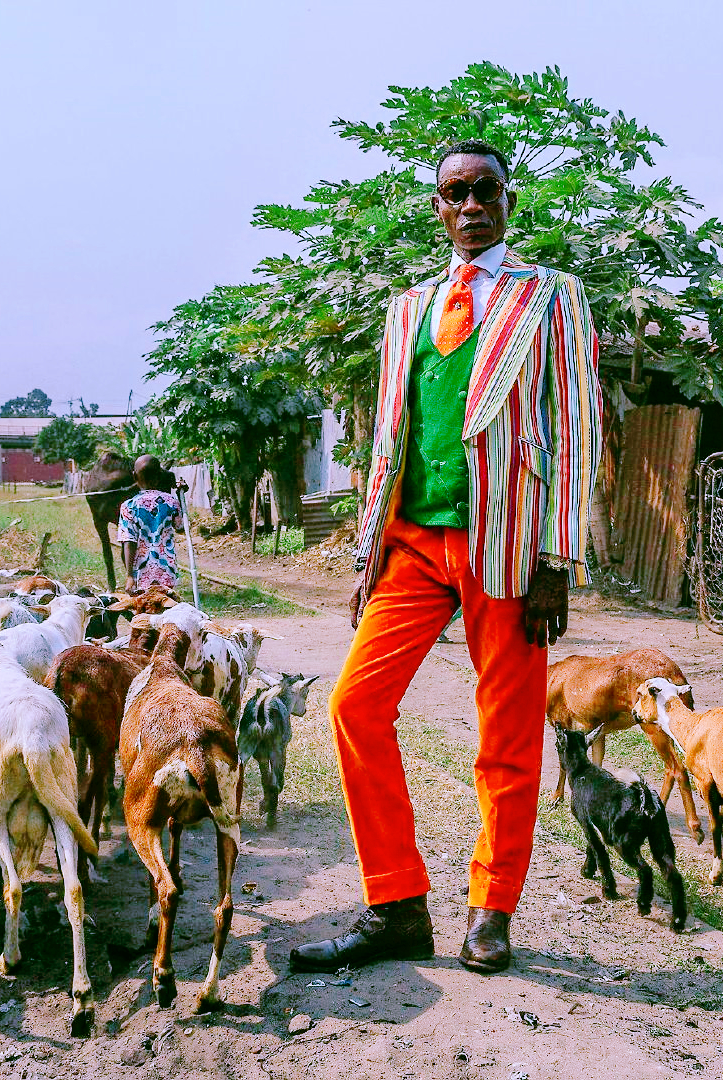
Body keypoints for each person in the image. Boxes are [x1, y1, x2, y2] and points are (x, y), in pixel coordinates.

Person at [290, 139, 602, 975]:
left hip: (508, 545)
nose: (471, 206)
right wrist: (366, 557)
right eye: (454, 193)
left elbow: (574, 433)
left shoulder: (551, 299)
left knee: (506, 735)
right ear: (437, 207)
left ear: (509, 199)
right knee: (355, 706)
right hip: (414, 543)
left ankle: (491, 909)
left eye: (485, 191)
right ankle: (395, 903)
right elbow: (389, 436)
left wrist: (556, 559)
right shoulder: (406, 311)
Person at [117, 454, 184, 594]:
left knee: (144, 610)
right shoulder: (171, 502)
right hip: (167, 571)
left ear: (134, 477)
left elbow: (129, 542)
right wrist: (180, 495)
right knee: (165, 608)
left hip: (141, 573)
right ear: (160, 476)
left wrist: (129, 575)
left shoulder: (128, 506)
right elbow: (180, 527)